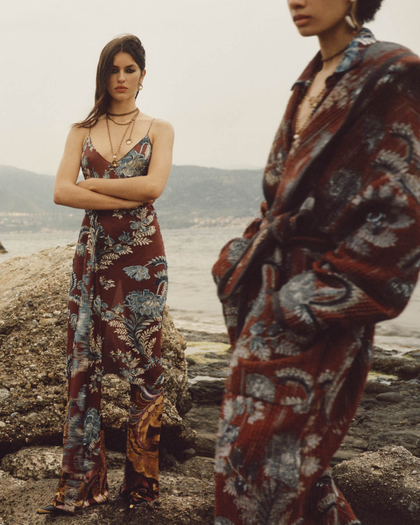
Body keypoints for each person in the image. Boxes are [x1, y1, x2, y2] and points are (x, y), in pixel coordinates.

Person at [212, 1, 420, 523]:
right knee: (290, 477)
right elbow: (279, 201)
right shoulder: (309, 82)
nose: (295, 0)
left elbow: (404, 212)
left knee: (256, 476)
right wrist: (238, 261)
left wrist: (308, 301)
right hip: (265, 300)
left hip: (321, 308)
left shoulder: (392, 71)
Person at [37, 34, 174, 515]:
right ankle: (83, 481)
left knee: (146, 363)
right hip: (93, 255)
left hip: (143, 258)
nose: (121, 77)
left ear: (142, 74)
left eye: (130, 69)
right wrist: (123, 193)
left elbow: (155, 185)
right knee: (85, 362)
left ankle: (141, 484)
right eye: (113, 69)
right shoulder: (82, 129)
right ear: (103, 74)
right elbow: (60, 192)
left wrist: (92, 185)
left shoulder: (160, 128)